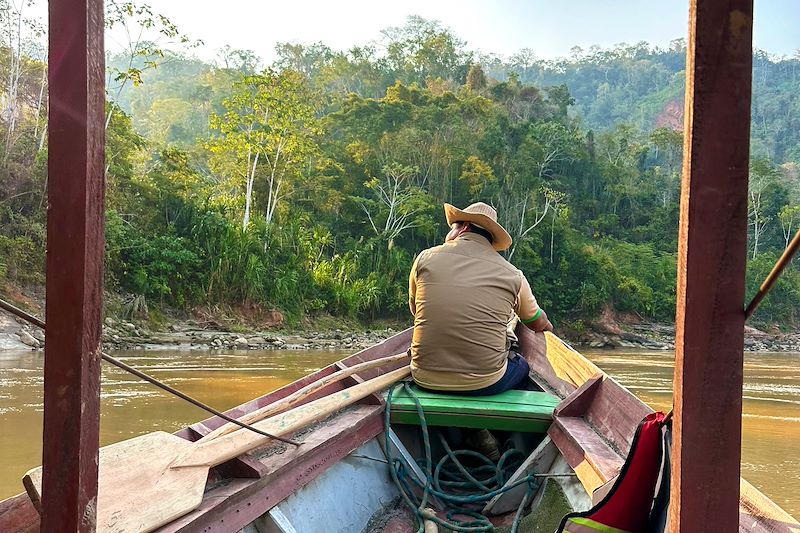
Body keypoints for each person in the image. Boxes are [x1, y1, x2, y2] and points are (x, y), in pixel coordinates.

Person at [408, 201, 553, 396]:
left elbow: (417, 311)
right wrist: (548, 328)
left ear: (464, 227)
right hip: (485, 383)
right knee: (522, 365)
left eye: (452, 228)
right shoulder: (512, 274)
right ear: (491, 241)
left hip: (424, 376)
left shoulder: (424, 259)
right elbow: (537, 322)